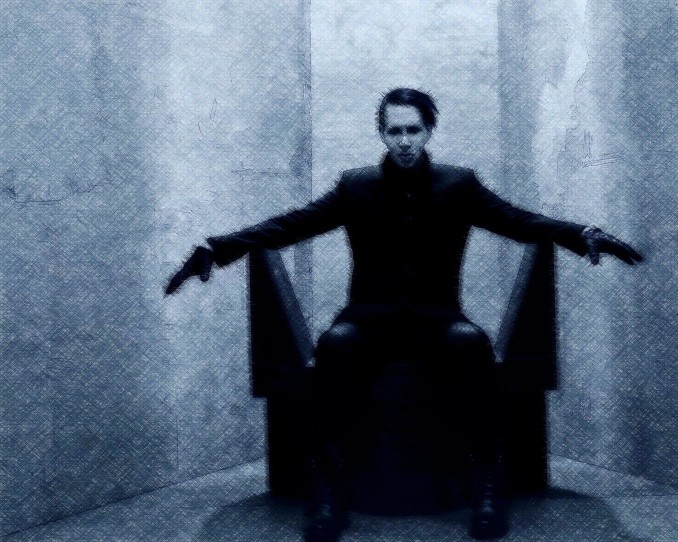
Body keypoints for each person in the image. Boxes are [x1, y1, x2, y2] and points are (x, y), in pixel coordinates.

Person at [165, 88, 643, 541]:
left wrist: (583, 235)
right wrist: (217, 249)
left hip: (437, 321)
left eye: (413, 130)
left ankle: (486, 485)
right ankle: (328, 490)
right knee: (335, 344)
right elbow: (293, 224)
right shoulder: (356, 186)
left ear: (429, 131)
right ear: (382, 134)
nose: (405, 141)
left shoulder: (458, 184)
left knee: (470, 342)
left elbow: (518, 221)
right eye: (394, 131)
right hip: (368, 320)